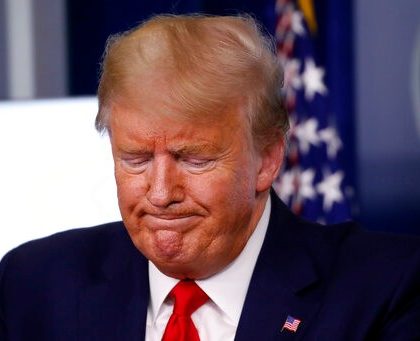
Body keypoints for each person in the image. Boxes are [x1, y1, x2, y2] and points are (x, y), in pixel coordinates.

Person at [1, 13, 419, 341]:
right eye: (136, 159)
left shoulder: (386, 289)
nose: (161, 194)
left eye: (193, 160)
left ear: (267, 159)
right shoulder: (34, 284)